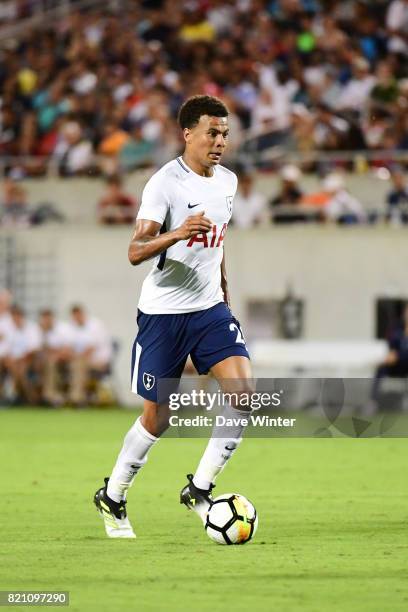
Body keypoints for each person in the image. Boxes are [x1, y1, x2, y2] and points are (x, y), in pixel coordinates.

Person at [93, 95, 253, 539]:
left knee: (243, 395)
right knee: (157, 419)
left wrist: (223, 288)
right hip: (163, 315)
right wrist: (178, 231)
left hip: (209, 310)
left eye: (224, 134)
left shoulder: (228, 182)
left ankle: (200, 489)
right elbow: (134, 251)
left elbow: (217, 242)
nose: (220, 142)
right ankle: (114, 495)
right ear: (188, 134)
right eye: (211, 133)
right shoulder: (165, 184)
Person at [66, 305, 113, 405]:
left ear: (82, 314)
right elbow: (69, 347)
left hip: (100, 362)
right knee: (76, 364)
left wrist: (75, 356)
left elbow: (90, 349)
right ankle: (75, 397)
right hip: (83, 361)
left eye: (77, 316)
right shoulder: (73, 327)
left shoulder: (95, 325)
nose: (76, 319)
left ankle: (76, 399)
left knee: (78, 364)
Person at [368, 304, 408, 413]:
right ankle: (373, 402)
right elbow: (392, 345)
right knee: (381, 369)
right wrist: (393, 356)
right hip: (397, 365)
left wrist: (399, 355)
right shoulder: (397, 328)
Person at [7, 305, 42, 404]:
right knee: (16, 370)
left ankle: (29, 399)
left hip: (29, 360)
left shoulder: (32, 328)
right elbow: (6, 348)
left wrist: (20, 360)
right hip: (13, 361)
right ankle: (16, 396)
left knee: (20, 372)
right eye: (13, 316)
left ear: (21, 316)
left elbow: (34, 348)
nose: (15, 319)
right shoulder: (9, 329)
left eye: (17, 316)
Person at [38, 309, 72, 405]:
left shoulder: (63, 329)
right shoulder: (41, 330)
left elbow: (67, 350)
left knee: (51, 363)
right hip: (46, 361)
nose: (46, 321)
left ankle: (49, 395)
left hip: (64, 360)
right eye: (44, 319)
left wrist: (55, 355)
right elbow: (40, 349)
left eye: (48, 318)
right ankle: (45, 396)